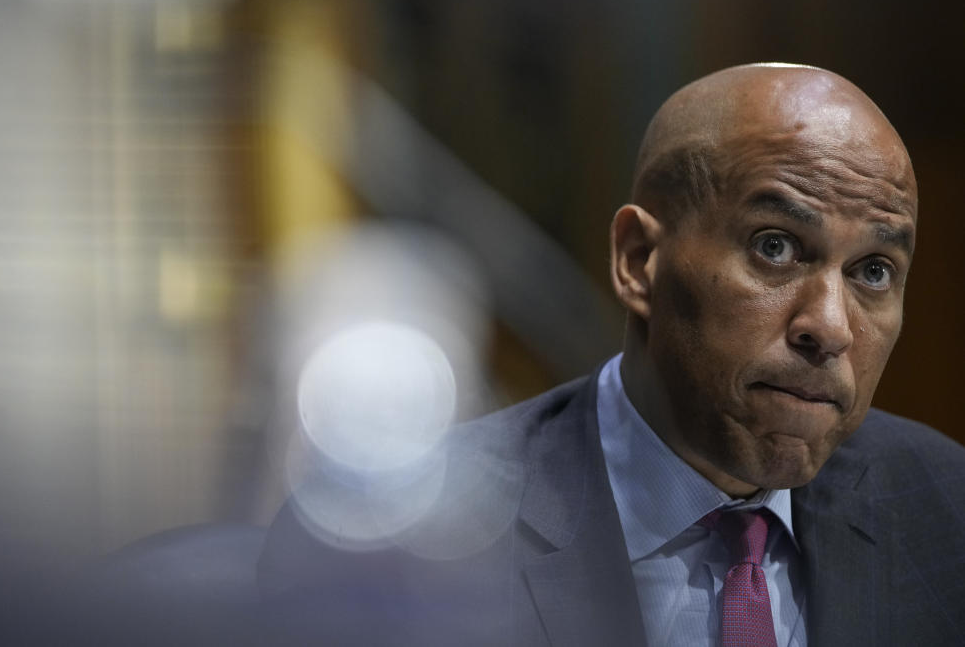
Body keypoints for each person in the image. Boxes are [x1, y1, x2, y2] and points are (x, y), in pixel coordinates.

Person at [257, 63, 965, 646]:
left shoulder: (945, 511)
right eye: (774, 246)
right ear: (638, 260)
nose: (831, 327)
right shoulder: (397, 548)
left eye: (873, 271)